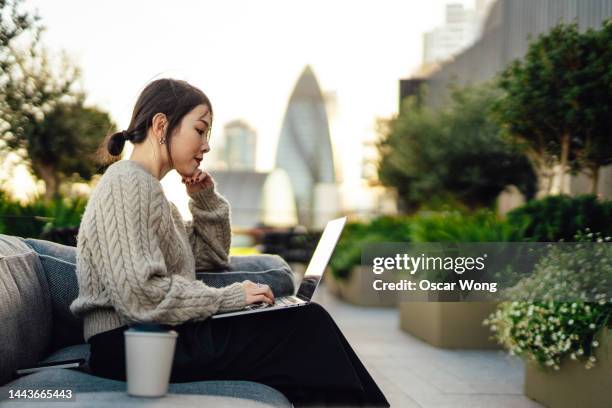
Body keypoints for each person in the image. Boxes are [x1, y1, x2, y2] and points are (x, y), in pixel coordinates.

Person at [69, 78, 389, 407]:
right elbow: (140, 297)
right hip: (131, 347)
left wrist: (204, 199)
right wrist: (232, 298)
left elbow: (212, 257)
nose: (206, 145)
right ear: (161, 125)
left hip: (152, 338)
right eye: (200, 130)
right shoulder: (127, 183)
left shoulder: (155, 196)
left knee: (307, 330)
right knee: (305, 327)